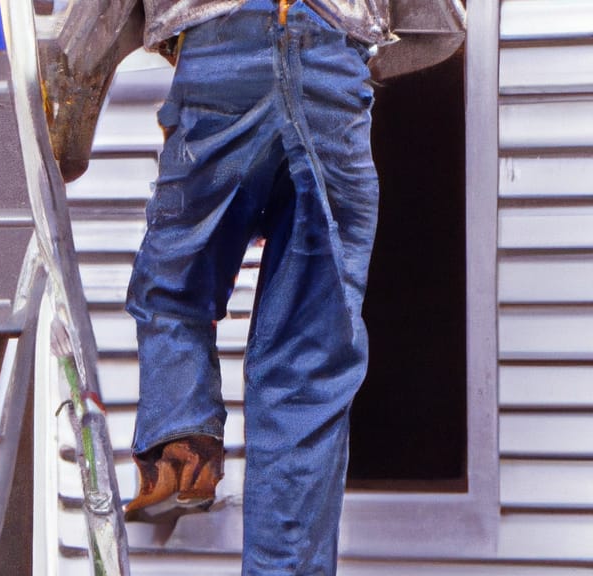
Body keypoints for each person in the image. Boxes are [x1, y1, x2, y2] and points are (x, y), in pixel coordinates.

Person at [117, 0, 396, 573]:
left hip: (221, 52)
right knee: (308, 357)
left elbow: (90, 29)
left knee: (176, 276)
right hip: (333, 66)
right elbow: (439, 24)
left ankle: (183, 446)